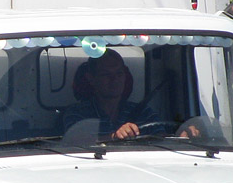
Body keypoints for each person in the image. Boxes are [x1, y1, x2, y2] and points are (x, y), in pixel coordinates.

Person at [63, 49, 200, 141]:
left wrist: (180, 136)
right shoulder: (76, 113)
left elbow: (161, 138)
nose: (114, 80)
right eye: (106, 75)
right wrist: (114, 137)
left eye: (119, 74)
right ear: (91, 79)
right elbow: (75, 142)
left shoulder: (144, 113)